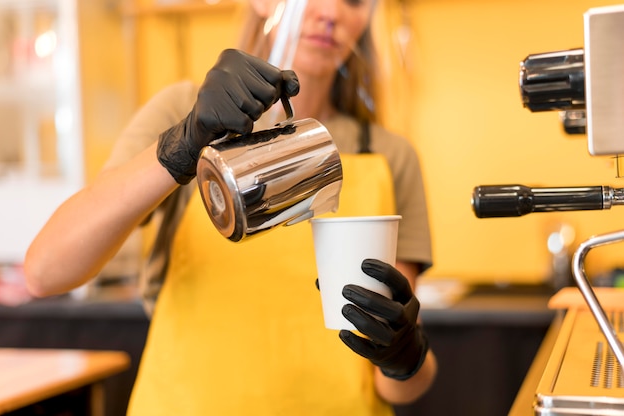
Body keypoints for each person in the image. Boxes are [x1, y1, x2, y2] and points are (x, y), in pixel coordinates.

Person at [24, 0, 437, 414]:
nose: (331, 12)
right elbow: (46, 271)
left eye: (353, 0)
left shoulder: (390, 155)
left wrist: (404, 358)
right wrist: (183, 143)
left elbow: (400, 384)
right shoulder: (185, 111)